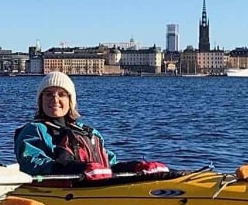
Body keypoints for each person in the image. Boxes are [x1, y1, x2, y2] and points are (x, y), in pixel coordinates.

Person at [12, 72, 168, 180]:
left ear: (70, 101)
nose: (54, 99)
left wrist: (136, 167)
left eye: (61, 94)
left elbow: (109, 164)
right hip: (63, 189)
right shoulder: (33, 130)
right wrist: (78, 169)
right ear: (40, 101)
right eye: (48, 94)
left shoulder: (88, 132)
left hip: (97, 185)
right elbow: (31, 163)